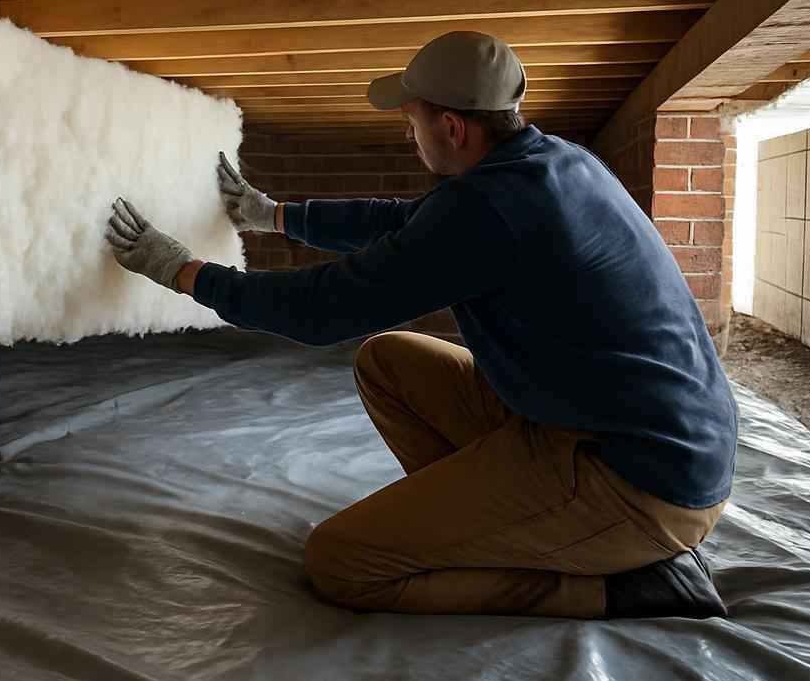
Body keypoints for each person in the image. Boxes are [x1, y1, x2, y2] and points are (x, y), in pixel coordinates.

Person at [104, 31, 737, 620]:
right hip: (623, 428)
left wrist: (184, 272)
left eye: (412, 122)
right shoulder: (553, 163)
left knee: (342, 562)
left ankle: (619, 584)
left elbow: (319, 310)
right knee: (388, 361)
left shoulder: (495, 207)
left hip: (639, 482)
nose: (410, 135)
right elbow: (407, 221)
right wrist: (274, 215)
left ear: (452, 127)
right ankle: (498, 525)